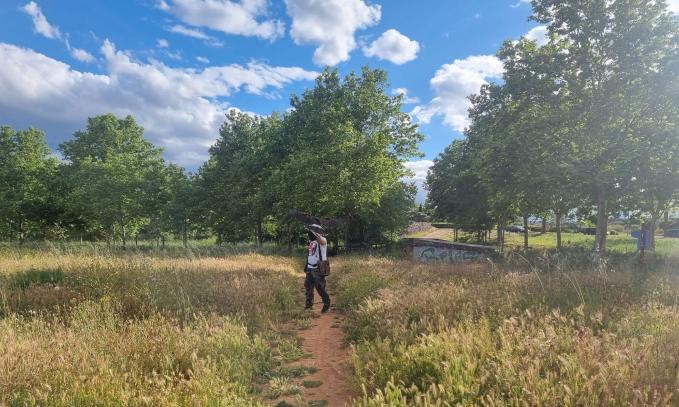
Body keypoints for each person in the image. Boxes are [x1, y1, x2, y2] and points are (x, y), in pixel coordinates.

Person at [304, 225, 331, 312]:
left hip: (318, 268)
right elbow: (310, 252)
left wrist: (314, 232)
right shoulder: (311, 241)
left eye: (311, 231)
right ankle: (309, 305)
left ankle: (327, 302)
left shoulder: (323, 240)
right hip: (310, 267)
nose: (309, 233)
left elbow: (321, 241)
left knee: (320, 287)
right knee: (308, 286)